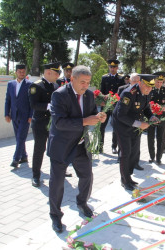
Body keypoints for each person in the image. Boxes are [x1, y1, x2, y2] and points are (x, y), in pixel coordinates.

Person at [47, 65, 106, 233]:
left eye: (88, 82)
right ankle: (56, 216)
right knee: (57, 183)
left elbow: (92, 113)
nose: (85, 86)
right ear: (72, 79)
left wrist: (99, 117)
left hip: (80, 144)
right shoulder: (59, 95)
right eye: (82, 82)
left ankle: (82, 203)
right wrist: (85, 121)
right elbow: (59, 123)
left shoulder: (88, 95)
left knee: (87, 176)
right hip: (62, 144)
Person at [112, 74, 158, 191]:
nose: (149, 89)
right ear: (140, 83)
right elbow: (120, 115)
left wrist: (151, 116)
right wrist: (139, 124)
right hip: (122, 126)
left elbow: (146, 108)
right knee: (125, 152)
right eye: (147, 86)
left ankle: (129, 176)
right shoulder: (128, 93)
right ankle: (125, 180)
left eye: (151, 87)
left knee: (134, 152)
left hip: (135, 125)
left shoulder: (147, 93)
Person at [28, 63, 61, 187]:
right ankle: (36, 176)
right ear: (48, 73)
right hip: (41, 123)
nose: (58, 75)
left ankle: (58, 172)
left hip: (54, 124)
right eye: (56, 73)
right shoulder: (36, 86)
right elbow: (33, 104)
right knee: (39, 149)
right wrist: (48, 106)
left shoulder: (57, 85)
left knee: (55, 149)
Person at [5, 64, 33, 168]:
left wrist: (31, 115)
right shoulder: (10, 84)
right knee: (18, 137)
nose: (21, 73)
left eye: (23, 71)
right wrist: (6, 114)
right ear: (16, 72)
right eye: (19, 71)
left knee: (21, 137)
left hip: (25, 116)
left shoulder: (30, 84)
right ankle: (24, 156)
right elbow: (8, 100)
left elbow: (32, 102)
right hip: (14, 115)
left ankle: (16, 159)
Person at [99, 59, 125, 154]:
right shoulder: (104, 77)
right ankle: (100, 146)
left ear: (117, 68)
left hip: (115, 106)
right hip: (105, 106)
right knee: (101, 126)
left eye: (114, 67)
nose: (112, 68)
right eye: (111, 67)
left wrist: (115, 99)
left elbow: (122, 92)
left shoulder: (121, 78)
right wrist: (102, 98)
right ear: (109, 67)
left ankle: (114, 146)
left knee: (115, 127)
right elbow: (101, 91)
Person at [147, 75, 165, 164]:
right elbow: (146, 102)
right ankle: (152, 156)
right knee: (150, 137)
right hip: (151, 116)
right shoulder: (150, 89)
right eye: (157, 82)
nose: (159, 84)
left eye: (161, 82)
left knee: (161, 137)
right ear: (154, 81)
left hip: (162, 117)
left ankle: (158, 157)